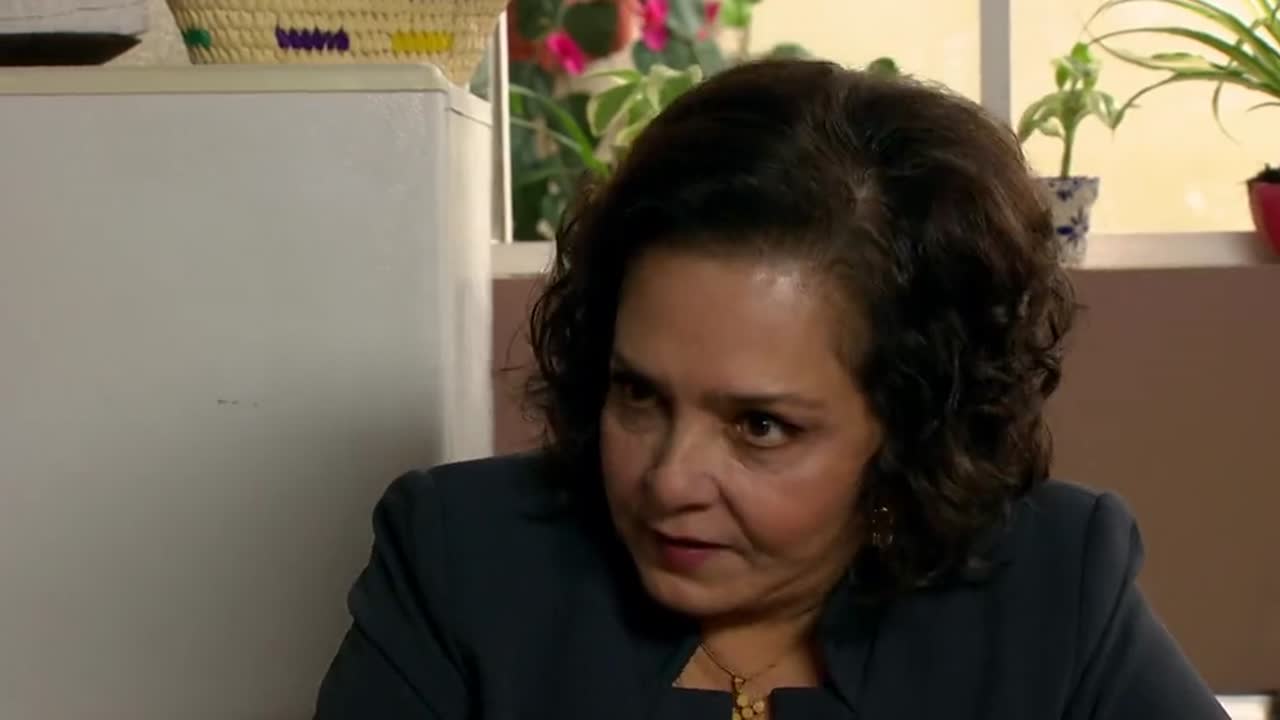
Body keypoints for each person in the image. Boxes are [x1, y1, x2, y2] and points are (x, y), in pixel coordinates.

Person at [313, 59, 1226, 719]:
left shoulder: (1055, 584)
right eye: (639, 394)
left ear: (910, 424)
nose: (670, 479)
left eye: (759, 425)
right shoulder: (459, 561)